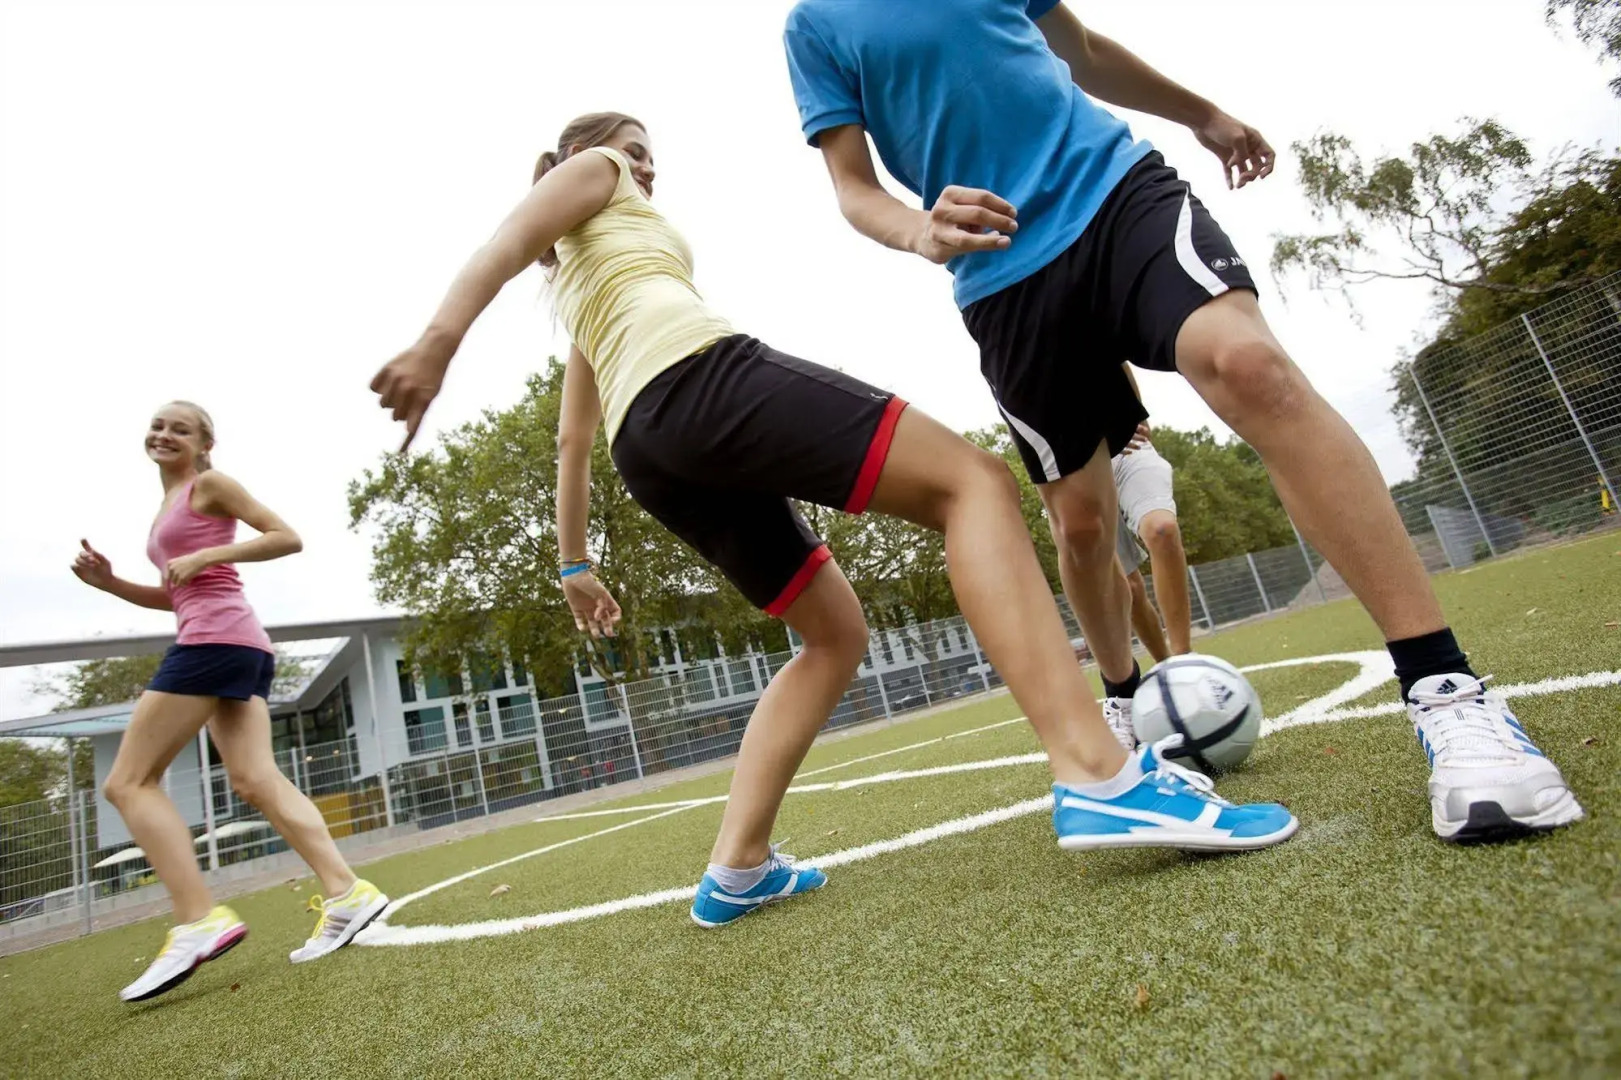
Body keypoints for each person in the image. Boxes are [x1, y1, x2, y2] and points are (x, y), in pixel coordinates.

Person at [370, 113, 1297, 927]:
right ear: (581, 155)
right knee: (972, 483)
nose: (643, 169)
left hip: (648, 447)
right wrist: (438, 343)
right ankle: (1101, 775)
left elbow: (576, 441)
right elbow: (501, 241)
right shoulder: (590, 177)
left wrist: (575, 561)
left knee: (833, 634)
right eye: (633, 151)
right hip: (697, 380)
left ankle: (737, 867)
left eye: (649, 160)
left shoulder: (585, 289)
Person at [782, 0, 1582, 843]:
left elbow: (1082, 51)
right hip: (1002, 275)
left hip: (1113, 192)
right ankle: (1126, 701)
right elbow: (851, 185)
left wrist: (1205, 115)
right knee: (1082, 521)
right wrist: (918, 229)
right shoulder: (815, 27)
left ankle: (1446, 693)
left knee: (1249, 367)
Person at [71, 401, 389, 1001]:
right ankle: (349, 894)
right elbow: (178, 594)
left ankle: (198, 920)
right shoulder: (165, 508)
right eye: (158, 425)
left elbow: (285, 537)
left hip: (217, 642)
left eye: (179, 428)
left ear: (203, 443)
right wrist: (111, 583)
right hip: (234, 642)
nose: (164, 434)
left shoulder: (209, 485)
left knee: (129, 782)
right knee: (254, 779)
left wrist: (211, 553)